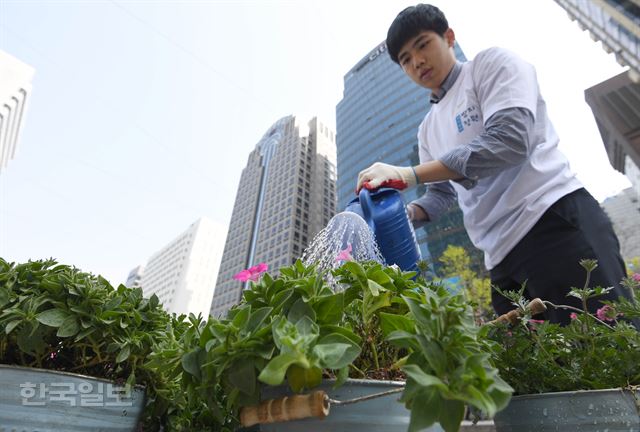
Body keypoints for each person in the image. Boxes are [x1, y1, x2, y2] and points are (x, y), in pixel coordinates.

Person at [355, 3, 631, 324]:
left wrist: (408, 174)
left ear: (448, 37)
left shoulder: (490, 65)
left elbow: (509, 140)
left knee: (607, 341)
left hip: (551, 221)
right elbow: (440, 195)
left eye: (422, 45)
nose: (417, 61)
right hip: (499, 259)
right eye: (405, 59)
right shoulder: (427, 128)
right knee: (537, 368)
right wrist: (403, 216)